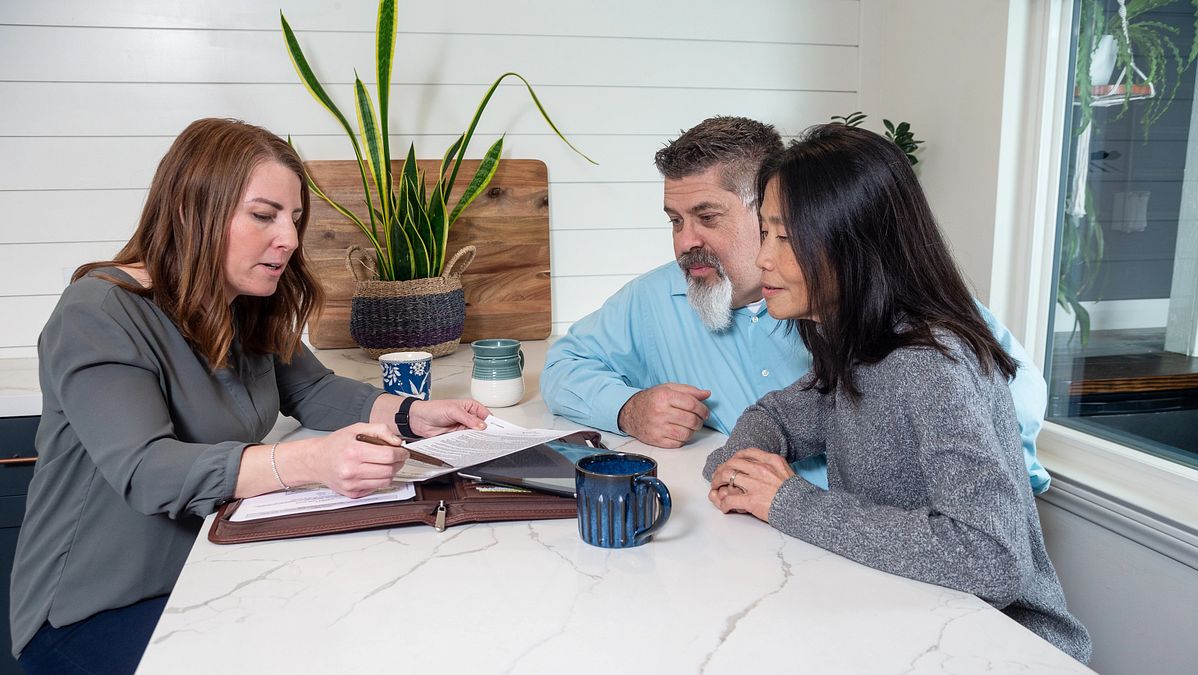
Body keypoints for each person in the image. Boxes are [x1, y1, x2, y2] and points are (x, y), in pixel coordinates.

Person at [9, 118, 491, 674]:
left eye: (294, 219)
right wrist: (312, 461)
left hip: (209, 568)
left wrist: (415, 414)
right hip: (92, 611)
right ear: (194, 209)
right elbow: (147, 469)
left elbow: (311, 387)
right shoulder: (97, 314)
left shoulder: (242, 302)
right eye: (264, 215)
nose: (287, 237)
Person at [703, 125, 1091, 662]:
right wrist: (744, 466)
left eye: (785, 237)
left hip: (1003, 647)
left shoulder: (932, 366)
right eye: (764, 233)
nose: (763, 257)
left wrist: (789, 502)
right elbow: (778, 415)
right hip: (907, 622)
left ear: (856, 246)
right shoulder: (859, 345)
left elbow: (993, 557)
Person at [541, 116, 1051, 493]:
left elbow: (1010, 394)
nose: (684, 243)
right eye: (675, 221)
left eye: (706, 217)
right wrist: (629, 409)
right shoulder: (656, 298)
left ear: (770, 207)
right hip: (772, 533)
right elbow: (562, 366)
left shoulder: (874, 309)